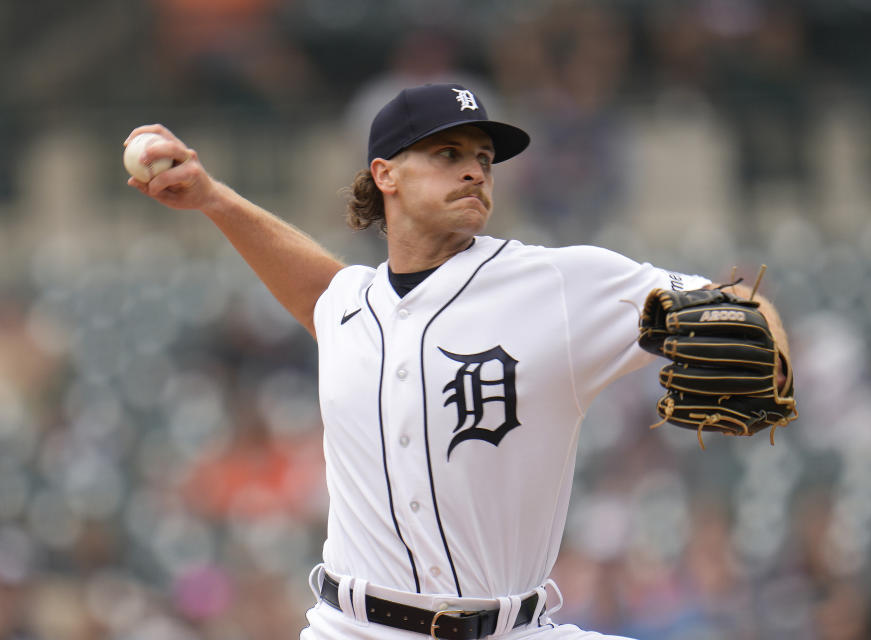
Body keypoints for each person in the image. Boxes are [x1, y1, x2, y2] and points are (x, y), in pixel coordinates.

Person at [125, 82, 790, 640]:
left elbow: (735, 304)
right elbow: (321, 291)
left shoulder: (558, 284)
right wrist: (212, 198)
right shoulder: (350, 306)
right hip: (354, 629)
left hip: (512, 628)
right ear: (383, 174)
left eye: (483, 157)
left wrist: (767, 344)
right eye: (447, 153)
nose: (474, 169)